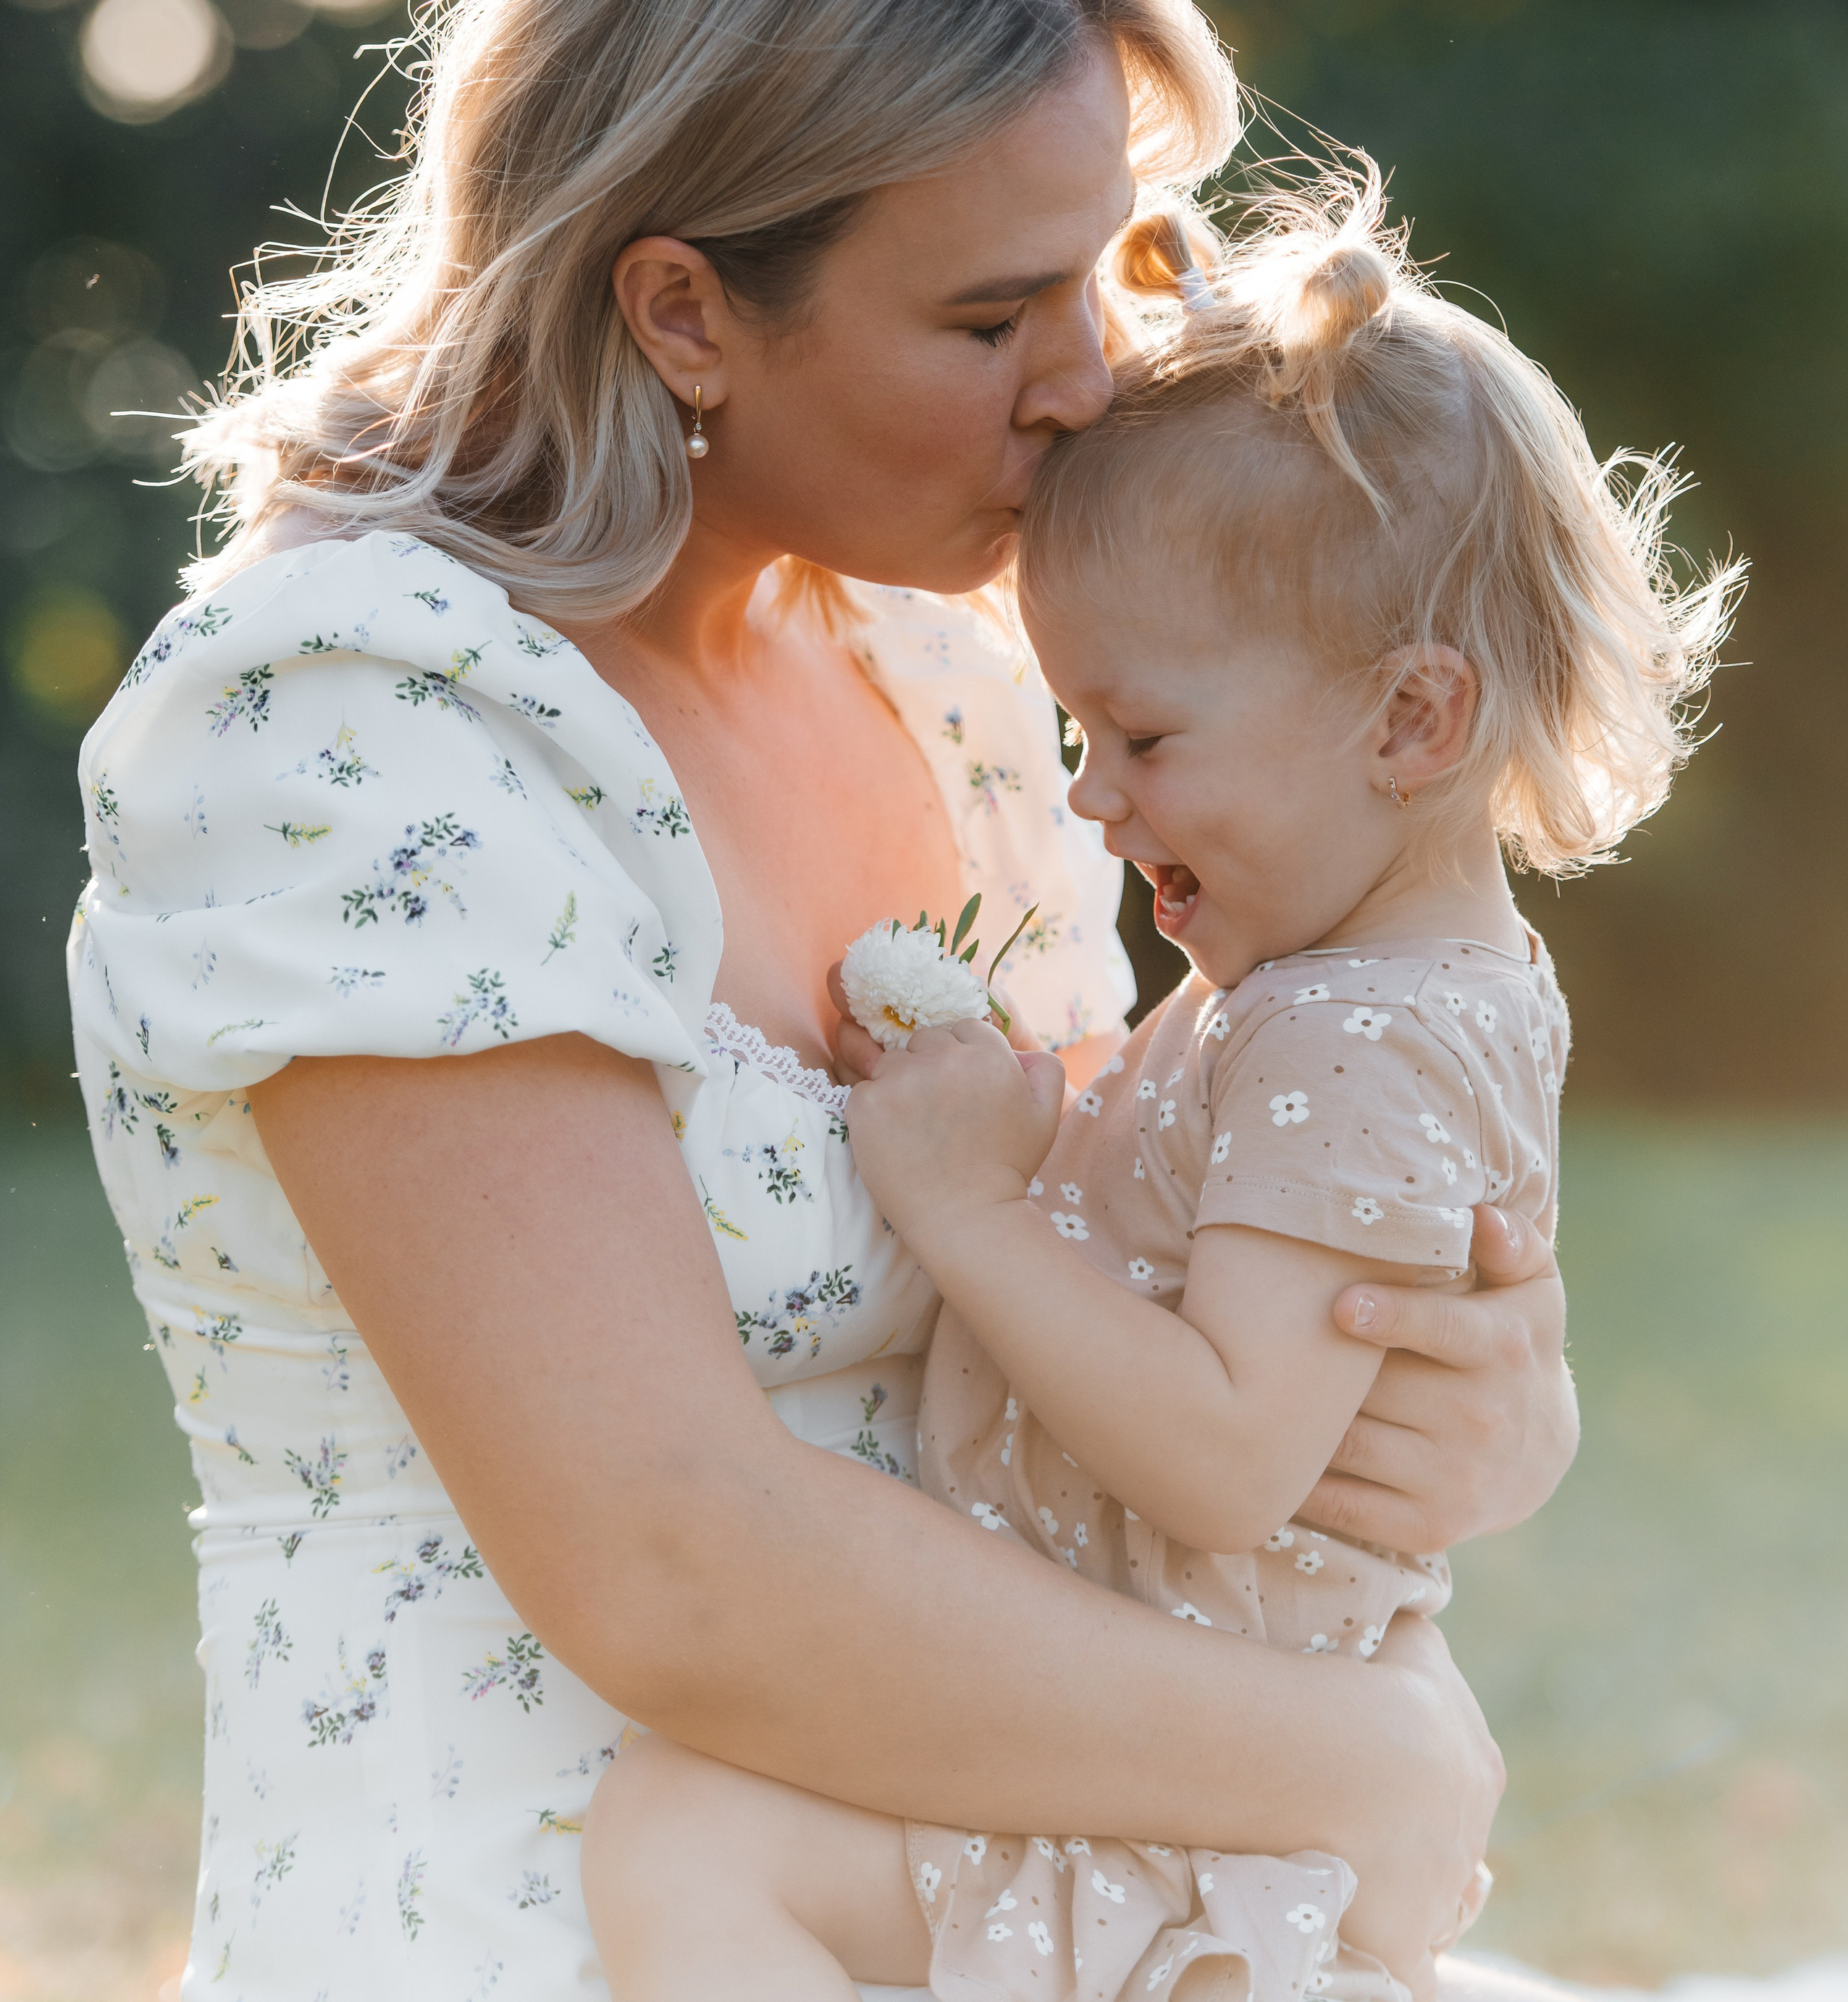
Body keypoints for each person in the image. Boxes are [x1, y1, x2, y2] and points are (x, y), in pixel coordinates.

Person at [69, 0, 1579, 1998]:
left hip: (1048, 1900)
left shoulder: (957, 667)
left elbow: (1173, 1268)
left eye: (1100, 277)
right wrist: (1368, 1766)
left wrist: (1472, 1389)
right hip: (567, 1917)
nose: (1085, 385)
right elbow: (676, 1567)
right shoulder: (349, 722)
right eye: (989, 320)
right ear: (685, 311)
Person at [579, 167, 1741, 2002]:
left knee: (684, 1842)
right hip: (1192, 1742)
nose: (1095, 797)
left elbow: (1226, 1451)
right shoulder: (1343, 985)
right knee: (693, 1836)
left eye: (1141, 734)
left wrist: (963, 1203)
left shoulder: (1346, 1031)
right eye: (1074, 733)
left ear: (1408, 719)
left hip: (1179, 1787)